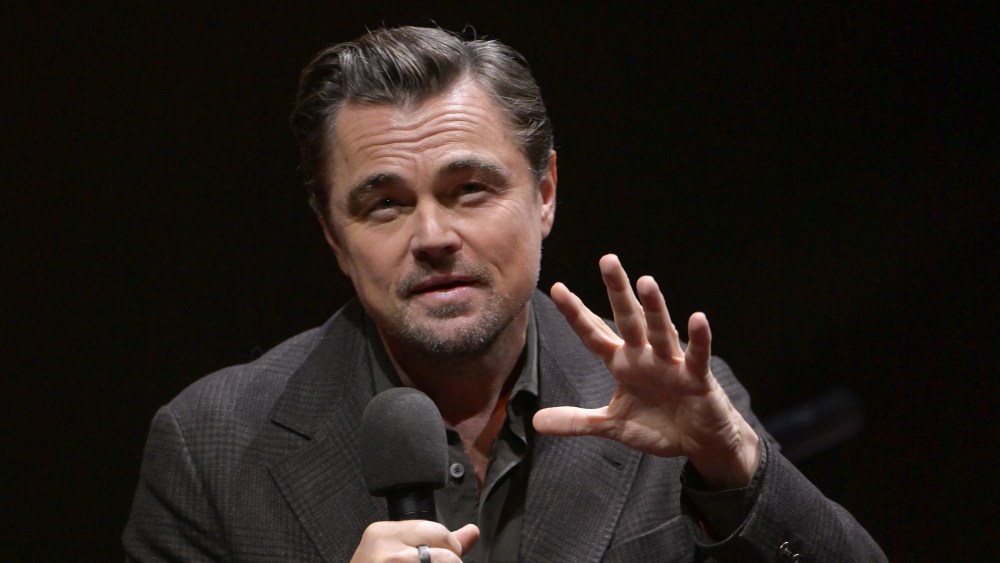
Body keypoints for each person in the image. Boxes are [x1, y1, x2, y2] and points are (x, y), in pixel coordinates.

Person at [123, 26, 885, 562]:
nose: (433, 235)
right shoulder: (210, 447)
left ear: (544, 191)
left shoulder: (681, 399)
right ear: (332, 235)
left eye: (470, 189)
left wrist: (739, 468)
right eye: (384, 204)